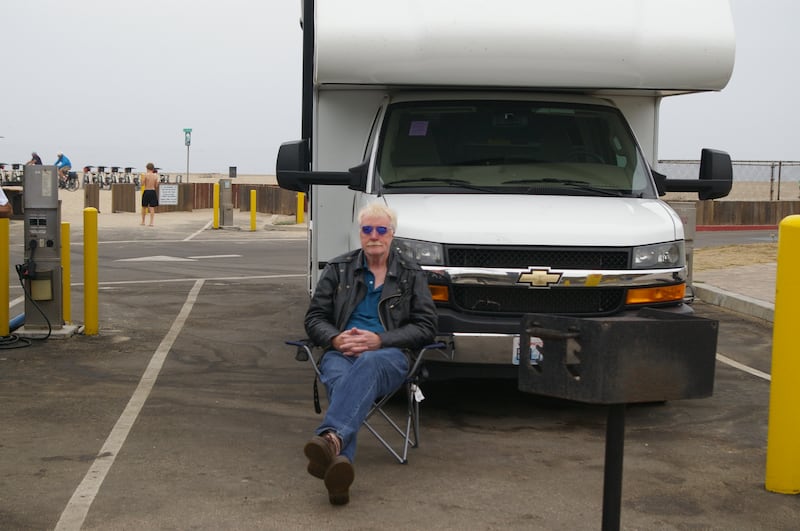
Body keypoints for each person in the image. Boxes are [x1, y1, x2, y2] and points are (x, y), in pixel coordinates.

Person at [302, 203, 437, 506]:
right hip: (342, 352)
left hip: (389, 356)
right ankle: (338, 465)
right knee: (340, 374)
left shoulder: (411, 274)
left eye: (381, 230)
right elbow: (314, 318)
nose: (374, 236)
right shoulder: (338, 269)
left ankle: (331, 439)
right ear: (359, 234)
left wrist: (380, 340)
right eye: (367, 230)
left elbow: (427, 327)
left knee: (368, 362)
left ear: (392, 234)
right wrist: (335, 339)